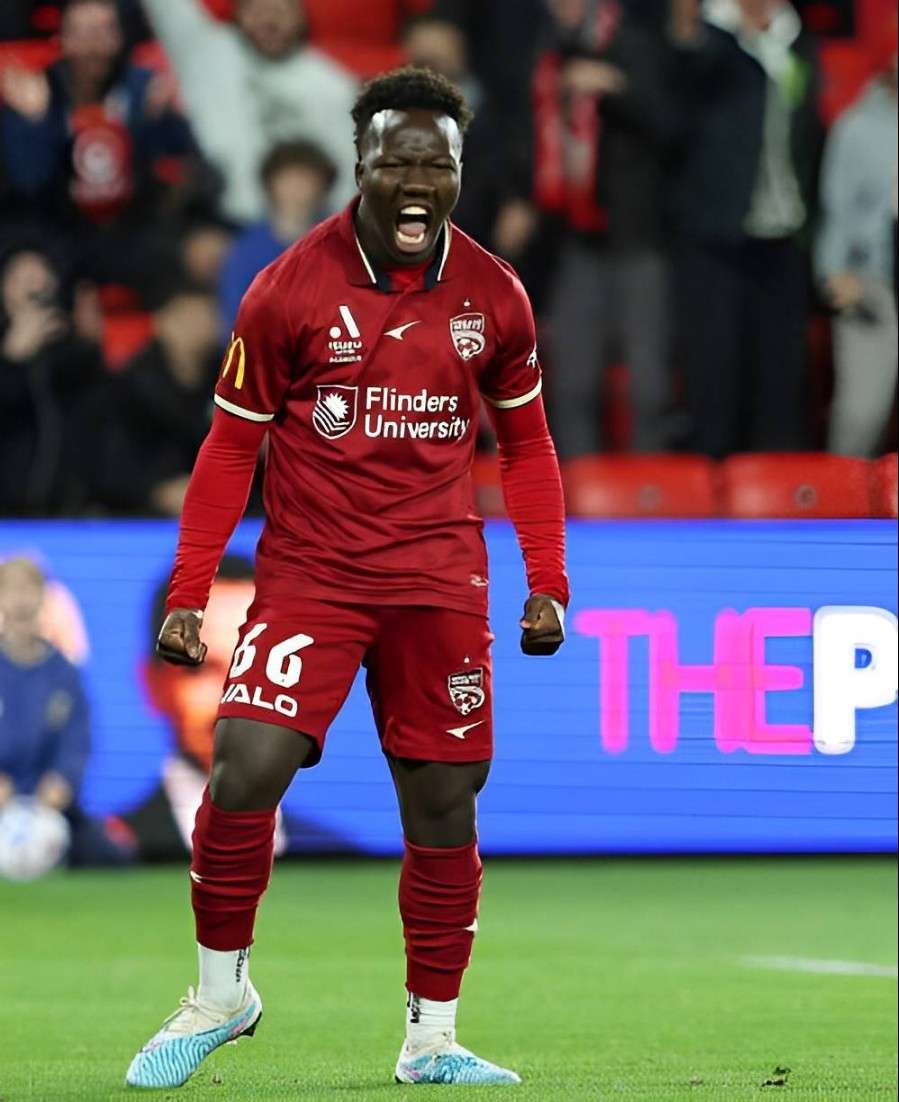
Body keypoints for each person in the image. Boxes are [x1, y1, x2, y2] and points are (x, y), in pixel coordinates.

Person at [125, 67, 568, 1089]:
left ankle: (431, 1038)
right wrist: (190, 592)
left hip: (437, 579)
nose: (416, 181)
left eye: (436, 163)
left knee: (444, 800)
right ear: (358, 165)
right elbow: (229, 450)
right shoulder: (286, 289)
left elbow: (528, 445)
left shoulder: (494, 294)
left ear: (458, 172)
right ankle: (220, 994)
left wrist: (546, 577)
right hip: (313, 574)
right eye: (395, 160)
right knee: (244, 766)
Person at [669, 0, 821, 457]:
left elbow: (809, 136)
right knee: (716, 370)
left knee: (781, 374)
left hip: (785, 233)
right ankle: (714, 481)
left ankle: (776, 482)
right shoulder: (710, 41)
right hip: (718, 235)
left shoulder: (797, 42)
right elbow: (678, 101)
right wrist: (690, 29)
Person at [536, 0, 678, 456]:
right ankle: (578, 488)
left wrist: (616, 87)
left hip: (638, 237)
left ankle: (650, 487)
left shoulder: (636, 45)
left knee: (648, 387)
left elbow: (672, 127)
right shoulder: (547, 52)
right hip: (578, 238)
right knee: (572, 383)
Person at [0, 0, 201, 290]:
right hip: (57, 233)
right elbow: (30, 184)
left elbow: (180, 172)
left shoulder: (143, 87)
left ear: (120, 37)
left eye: (104, 31)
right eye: (82, 33)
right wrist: (35, 126)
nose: (93, 46)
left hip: (134, 231)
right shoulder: (36, 92)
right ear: (62, 39)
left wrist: (162, 121)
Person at [141, 0, 359, 225]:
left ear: (301, 17)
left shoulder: (334, 87)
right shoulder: (208, 55)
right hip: (217, 220)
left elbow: (347, 182)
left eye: (280, 10)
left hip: (305, 228)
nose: (268, 20)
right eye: (255, 10)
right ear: (238, 14)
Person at [0, 557, 129, 866]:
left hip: (49, 805)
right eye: (12, 589)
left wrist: (63, 781)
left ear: (43, 597)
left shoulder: (62, 672)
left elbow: (77, 739)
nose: (21, 600)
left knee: (110, 858)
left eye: (29, 589)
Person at [816, 50, 898, 457]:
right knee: (862, 414)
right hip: (874, 282)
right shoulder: (858, 127)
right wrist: (832, 275)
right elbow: (837, 211)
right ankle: (842, 494)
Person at [88, 280, 224, 516]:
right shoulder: (129, 389)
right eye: (187, 318)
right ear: (162, 323)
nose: (199, 328)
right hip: (142, 514)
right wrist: (158, 492)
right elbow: (111, 466)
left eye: (207, 316)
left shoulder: (231, 381)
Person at [0, 243, 104, 515]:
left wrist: (89, 345)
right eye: (21, 279)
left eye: (40, 278)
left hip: (66, 509)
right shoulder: (7, 353)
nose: (33, 288)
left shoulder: (73, 351)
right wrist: (12, 359)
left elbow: (96, 415)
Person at [219, 140, 337, 332]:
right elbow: (235, 317)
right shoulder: (246, 250)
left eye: (306, 180)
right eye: (288, 179)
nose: (297, 190)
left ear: (323, 187)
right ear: (270, 185)